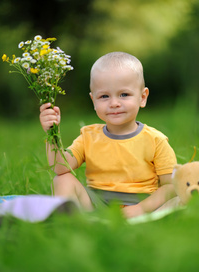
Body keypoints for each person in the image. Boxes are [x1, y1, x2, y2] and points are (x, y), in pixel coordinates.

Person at [39, 51, 177, 218]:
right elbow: (60, 168)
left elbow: (169, 186)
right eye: (104, 96)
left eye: (124, 94)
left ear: (142, 97)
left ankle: (142, 221)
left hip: (142, 204)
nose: (114, 103)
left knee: (181, 197)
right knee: (61, 180)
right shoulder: (88, 136)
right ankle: (71, 223)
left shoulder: (156, 140)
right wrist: (52, 133)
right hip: (97, 205)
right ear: (93, 101)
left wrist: (139, 209)